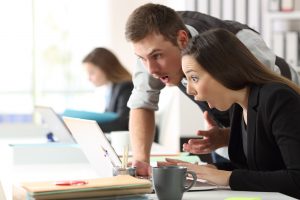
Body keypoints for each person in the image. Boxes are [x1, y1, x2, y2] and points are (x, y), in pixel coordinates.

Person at [124, 3, 300, 176]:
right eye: (141, 59)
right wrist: (141, 161)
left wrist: (227, 175)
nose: (150, 70)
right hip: (234, 128)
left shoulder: (242, 44)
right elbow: (142, 102)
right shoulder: (152, 45)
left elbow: (269, 117)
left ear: (182, 40)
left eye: (157, 56)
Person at [165, 28, 300, 198]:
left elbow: (297, 179)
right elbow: (258, 171)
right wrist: (211, 171)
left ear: (222, 70)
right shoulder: (239, 106)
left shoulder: (277, 98)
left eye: (194, 78)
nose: (189, 90)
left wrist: (227, 177)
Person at [82, 47, 133, 132]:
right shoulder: (112, 89)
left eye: (92, 72)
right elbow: (108, 118)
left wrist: (86, 128)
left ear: (105, 69)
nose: (89, 78)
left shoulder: (126, 87)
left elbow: (122, 124)